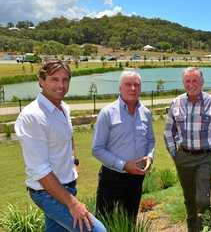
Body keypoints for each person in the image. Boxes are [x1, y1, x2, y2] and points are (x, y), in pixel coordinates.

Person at [14, 60, 106, 232]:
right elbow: (40, 170)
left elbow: (68, 137)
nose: (61, 85)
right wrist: (73, 203)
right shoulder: (32, 116)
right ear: (41, 81)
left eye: (65, 80)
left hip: (68, 185)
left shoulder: (64, 108)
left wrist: (74, 163)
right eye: (54, 79)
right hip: (47, 193)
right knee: (97, 230)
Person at [164, 67, 211, 232]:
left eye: (195, 80)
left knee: (202, 199)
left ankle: (206, 224)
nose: (191, 84)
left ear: (202, 82)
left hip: (205, 158)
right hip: (184, 157)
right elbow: (168, 132)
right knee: (189, 197)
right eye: (188, 81)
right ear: (183, 83)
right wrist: (175, 155)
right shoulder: (176, 103)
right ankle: (193, 227)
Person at [92, 70, 155, 220]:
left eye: (136, 85)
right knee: (105, 222)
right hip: (112, 178)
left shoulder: (145, 113)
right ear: (120, 88)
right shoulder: (107, 113)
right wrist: (124, 165)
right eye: (128, 84)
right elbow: (97, 149)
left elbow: (151, 140)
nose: (133, 88)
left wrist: (150, 157)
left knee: (129, 220)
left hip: (136, 179)